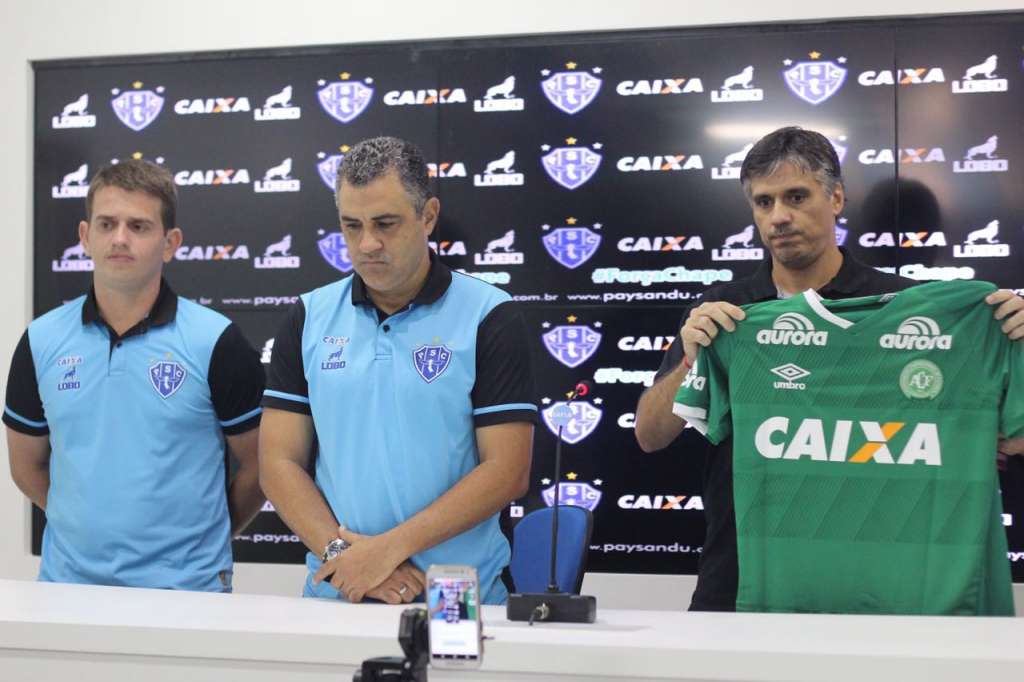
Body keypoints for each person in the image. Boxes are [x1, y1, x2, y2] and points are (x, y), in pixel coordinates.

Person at [634, 126, 1024, 611]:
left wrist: (1012, 342)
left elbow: (1010, 439)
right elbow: (650, 435)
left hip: (879, 582)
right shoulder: (724, 312)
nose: (779, 217)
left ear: (836, 197)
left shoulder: (911, 311)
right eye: (764, 202)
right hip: (739, 578)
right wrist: (691, 360)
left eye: (796, 197)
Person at [258, 136, 536, 605]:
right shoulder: (309, 316)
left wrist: (385, 553)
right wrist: (346, 556)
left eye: (386, 223)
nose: (367, 244)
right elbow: (277, 463)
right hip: (338, 587)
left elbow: (507, 471)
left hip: (453, 591)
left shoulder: (489, 314)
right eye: (352, 226)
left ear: (428, 215)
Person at [4, 159, 265, 592]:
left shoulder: (216, 341)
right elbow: (25, 465)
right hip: (67, 589)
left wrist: (205, 537)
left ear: (170, 243)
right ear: (85, 237)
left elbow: (264, 466)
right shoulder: (40, 340)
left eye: (139, 227)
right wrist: (83, 527)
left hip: (188, 590)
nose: (120, 238)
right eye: (106, 224)